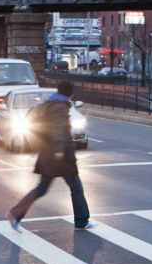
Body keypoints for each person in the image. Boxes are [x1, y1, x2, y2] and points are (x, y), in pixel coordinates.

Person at [6, 81, 94, 231]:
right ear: (70, 94)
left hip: (48, 155)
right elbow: (58, 129)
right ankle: (82, 221)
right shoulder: (59, 107)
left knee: (42, 188)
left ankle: (16, 213)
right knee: (76, 188)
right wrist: (59, 150)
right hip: (61, 157)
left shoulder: (50, 104)